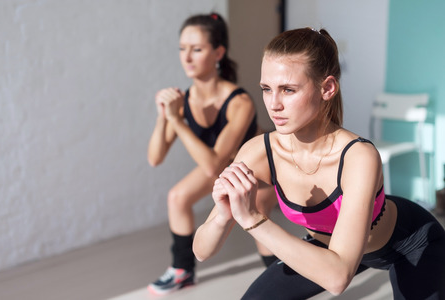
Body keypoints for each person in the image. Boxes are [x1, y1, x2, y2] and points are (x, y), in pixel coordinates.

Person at [193, 27, 445, 299]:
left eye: (288, 89)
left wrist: (253, 219)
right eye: (267, 89)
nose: (274, 104)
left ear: (327, 88)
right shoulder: (258, 152)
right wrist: (222, 215)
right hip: (332, 248)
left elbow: (337, 279)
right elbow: (202, 251)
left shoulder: (358, 156)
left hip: (411, 243)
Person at [147, 12, 277, 295]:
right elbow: (154, 159)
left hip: (259, 168)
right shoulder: (182, 103)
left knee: (257, 221)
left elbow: (212, 165)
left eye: (197, 49)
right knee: (177, 197)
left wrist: (178, 121)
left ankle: (284, 281)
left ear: (218, 52)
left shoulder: (239, 101)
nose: (187, 57)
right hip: (224, 169)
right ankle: (182, 271)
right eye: (182, 49)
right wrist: (163, 117)